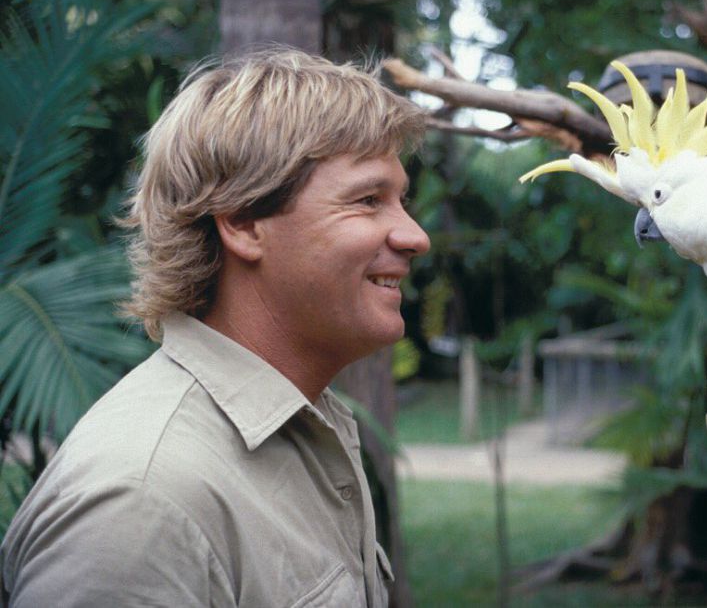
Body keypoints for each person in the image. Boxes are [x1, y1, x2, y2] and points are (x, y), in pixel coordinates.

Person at [0, 47, 430, 607]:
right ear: (244, 222)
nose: (414, 235)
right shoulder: (142, 500)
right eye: (368, 200)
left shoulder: (306, 427)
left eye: (400, 200)